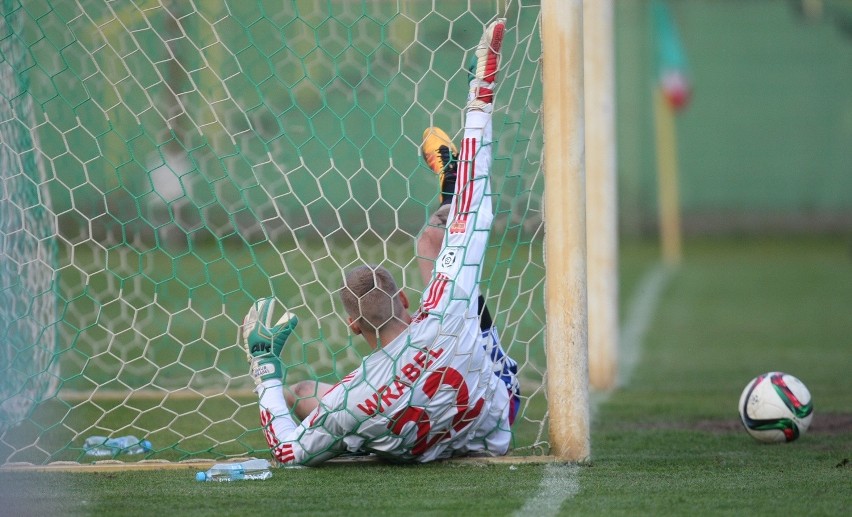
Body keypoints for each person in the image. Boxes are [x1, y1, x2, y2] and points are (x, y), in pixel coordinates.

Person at [242, 19, 517, 466]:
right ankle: (449, 195)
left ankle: (450, 201)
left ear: (353, 327)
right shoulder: (442, 312)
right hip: (492, 420)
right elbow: (479, 207)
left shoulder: (351, 397)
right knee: (441, 249)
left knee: (306, 395)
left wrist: (265, 367)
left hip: (382, 415)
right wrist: (480, 92)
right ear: (405, 299)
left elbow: (287, 453)